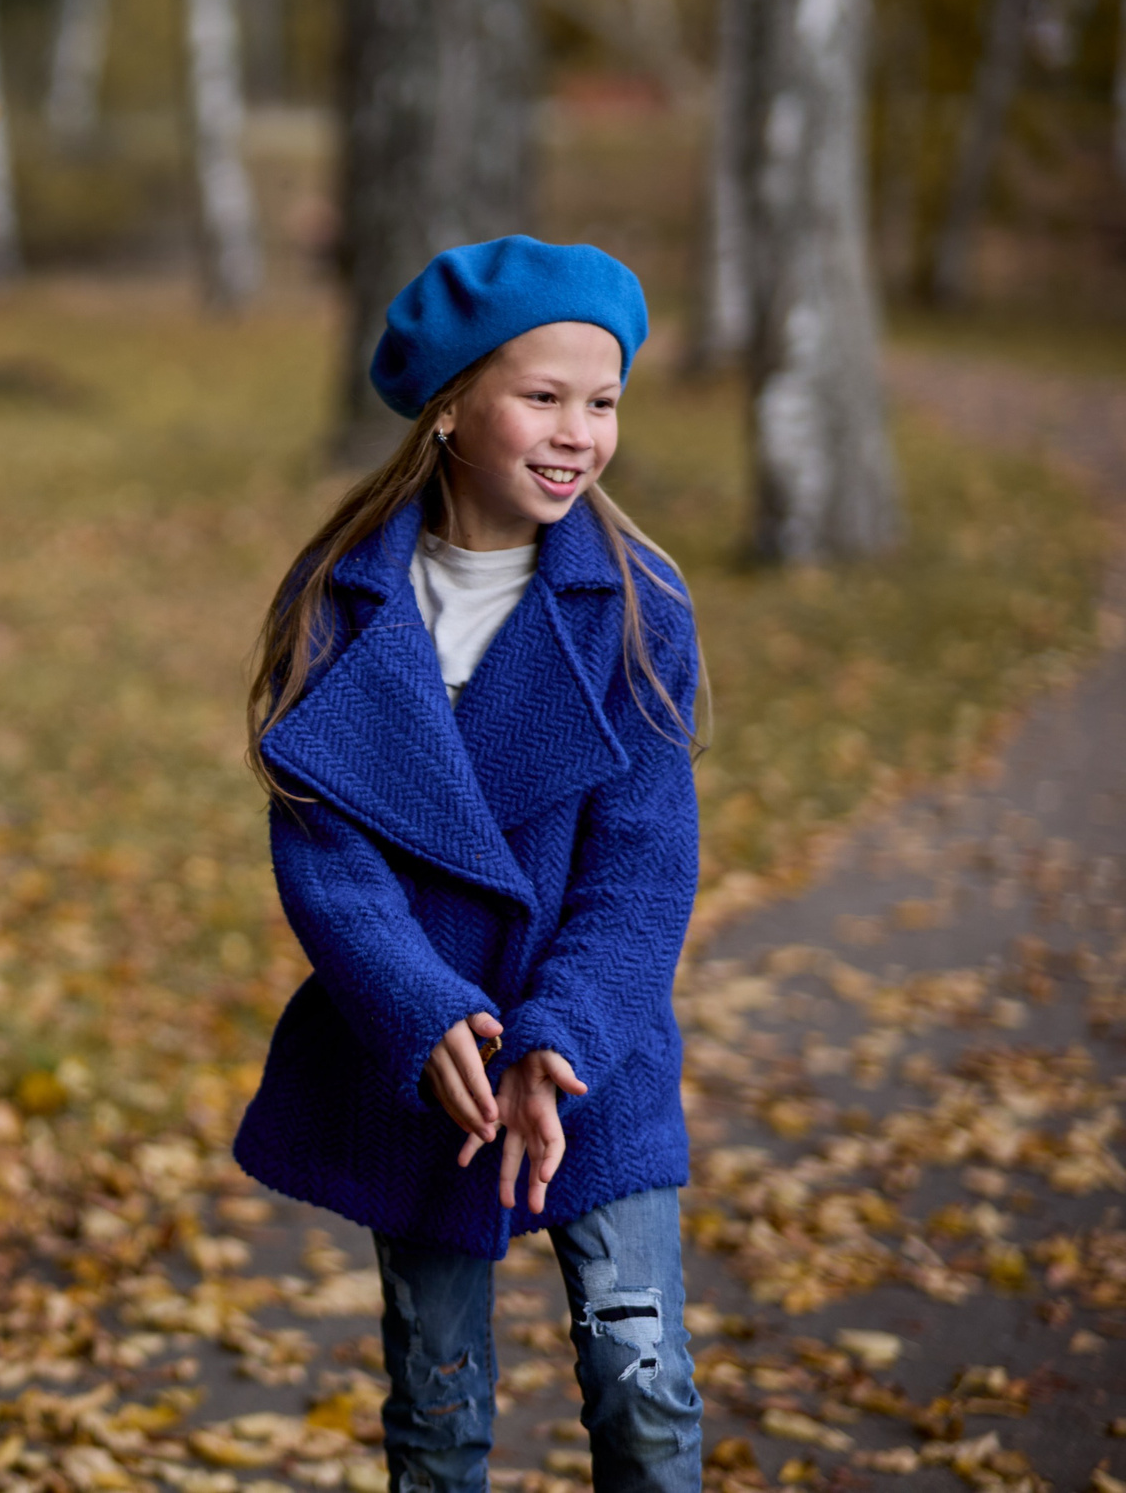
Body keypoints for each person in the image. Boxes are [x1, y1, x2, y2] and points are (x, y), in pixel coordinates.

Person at [232, 237, 708, 1491]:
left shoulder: (637, 605)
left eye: (600, 402)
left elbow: (644, 865)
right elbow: (324, 852)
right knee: (436, 1411)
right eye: (541, 397)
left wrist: (561, 1040)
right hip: (428, 1073)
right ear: (449, 408)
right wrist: (420, 1005)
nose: (577, 432)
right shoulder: (342, 600)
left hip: (590, 1072)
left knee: (640, 1384)